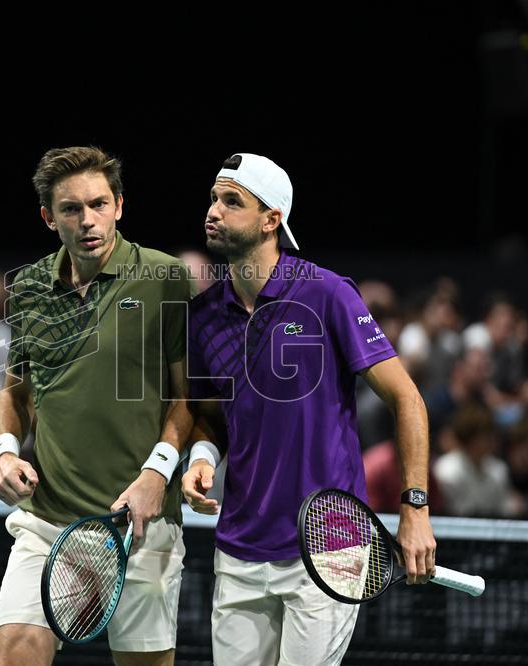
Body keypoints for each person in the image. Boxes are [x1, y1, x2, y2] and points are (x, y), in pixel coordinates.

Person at [181, 153, 436, 665]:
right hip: (239, 548)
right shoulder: (205, 314)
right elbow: (212, 411)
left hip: (331, 544)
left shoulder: (327, 293)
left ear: (271, 220)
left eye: (233, 201)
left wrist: (415, 508)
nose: (214, 210)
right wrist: (203, 457)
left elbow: (407, 399)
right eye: (213, 198)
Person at [0, 146, 195, 666]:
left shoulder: (166, 278)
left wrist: (158, 473)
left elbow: (188, 396)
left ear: (120, 205)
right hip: (48, 522)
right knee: (15, 650)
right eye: (71, 209)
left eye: (99, 204)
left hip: (141, 524)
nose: (88, 221)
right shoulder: (28, 285)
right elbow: (15, 389)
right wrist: (4, 453)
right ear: (48, 217)